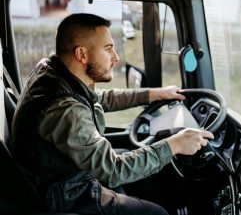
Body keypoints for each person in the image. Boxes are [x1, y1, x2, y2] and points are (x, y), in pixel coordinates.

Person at [11, 13, 214, 215]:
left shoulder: (52, 71)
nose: (116, 58)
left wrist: (153, 94)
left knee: (132, 159)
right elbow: (113, 171)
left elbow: (101, 98)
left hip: (64, 174)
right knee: (157, 213)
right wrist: (176, 144)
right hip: (67, 193)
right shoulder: (65, 109)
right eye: (108, 49)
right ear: (81, 54)